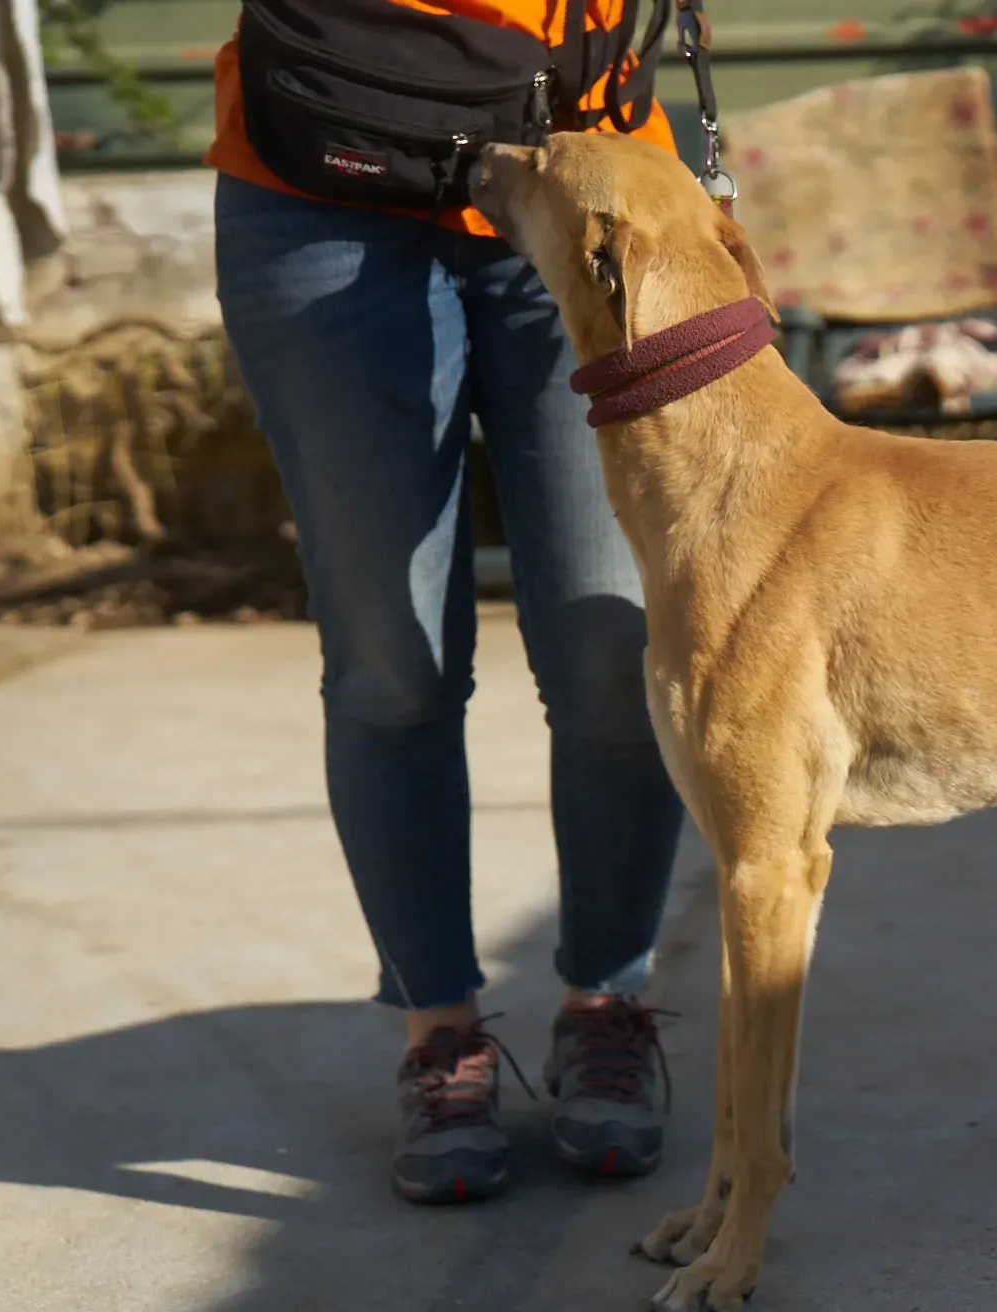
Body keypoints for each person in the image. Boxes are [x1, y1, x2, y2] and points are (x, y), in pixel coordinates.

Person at [205, 1, 687, 1204]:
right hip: (319, 176)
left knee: (612, 643)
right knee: (392, 656)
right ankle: (439, 1030)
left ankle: (606, 1000)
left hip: (585, 175)